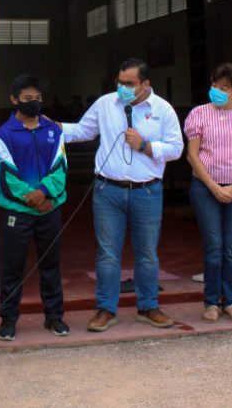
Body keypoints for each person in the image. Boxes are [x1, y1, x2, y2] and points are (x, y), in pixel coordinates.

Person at [62, 58, 184, 332]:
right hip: (108, 190)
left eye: (129, 84)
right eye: (120, 82)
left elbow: (176, 148)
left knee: (147, 254)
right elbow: (83, 131)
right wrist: (51, 127)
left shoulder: (162, 109)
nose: (122, 88)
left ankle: (148, 307)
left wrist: (146, 146)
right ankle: (106, 310)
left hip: (147, 191)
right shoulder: (106, 103)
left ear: (145, 84)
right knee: (107, 254)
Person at [0, 74, 69, 341]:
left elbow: (60, 168)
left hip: (50, 209)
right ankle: (9, 319)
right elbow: (4, 175)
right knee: (13, 267)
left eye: (37, 99)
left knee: (51, 265)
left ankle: (54, 317)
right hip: (18, 212)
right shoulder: (4, 134)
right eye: (27, 99)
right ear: (14, 100)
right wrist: (33, 197)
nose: (34, 103)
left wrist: (45, 193)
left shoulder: (53, 131)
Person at [184, 63, 232, 322]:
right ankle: (211, 301)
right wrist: (214, 187)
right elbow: (192, 155)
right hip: (206, 188)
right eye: (215, 85)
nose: (217, 90)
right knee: (214, 246)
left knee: (231, 247)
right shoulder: (199, 114)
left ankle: (231, 301)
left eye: (224, 88)